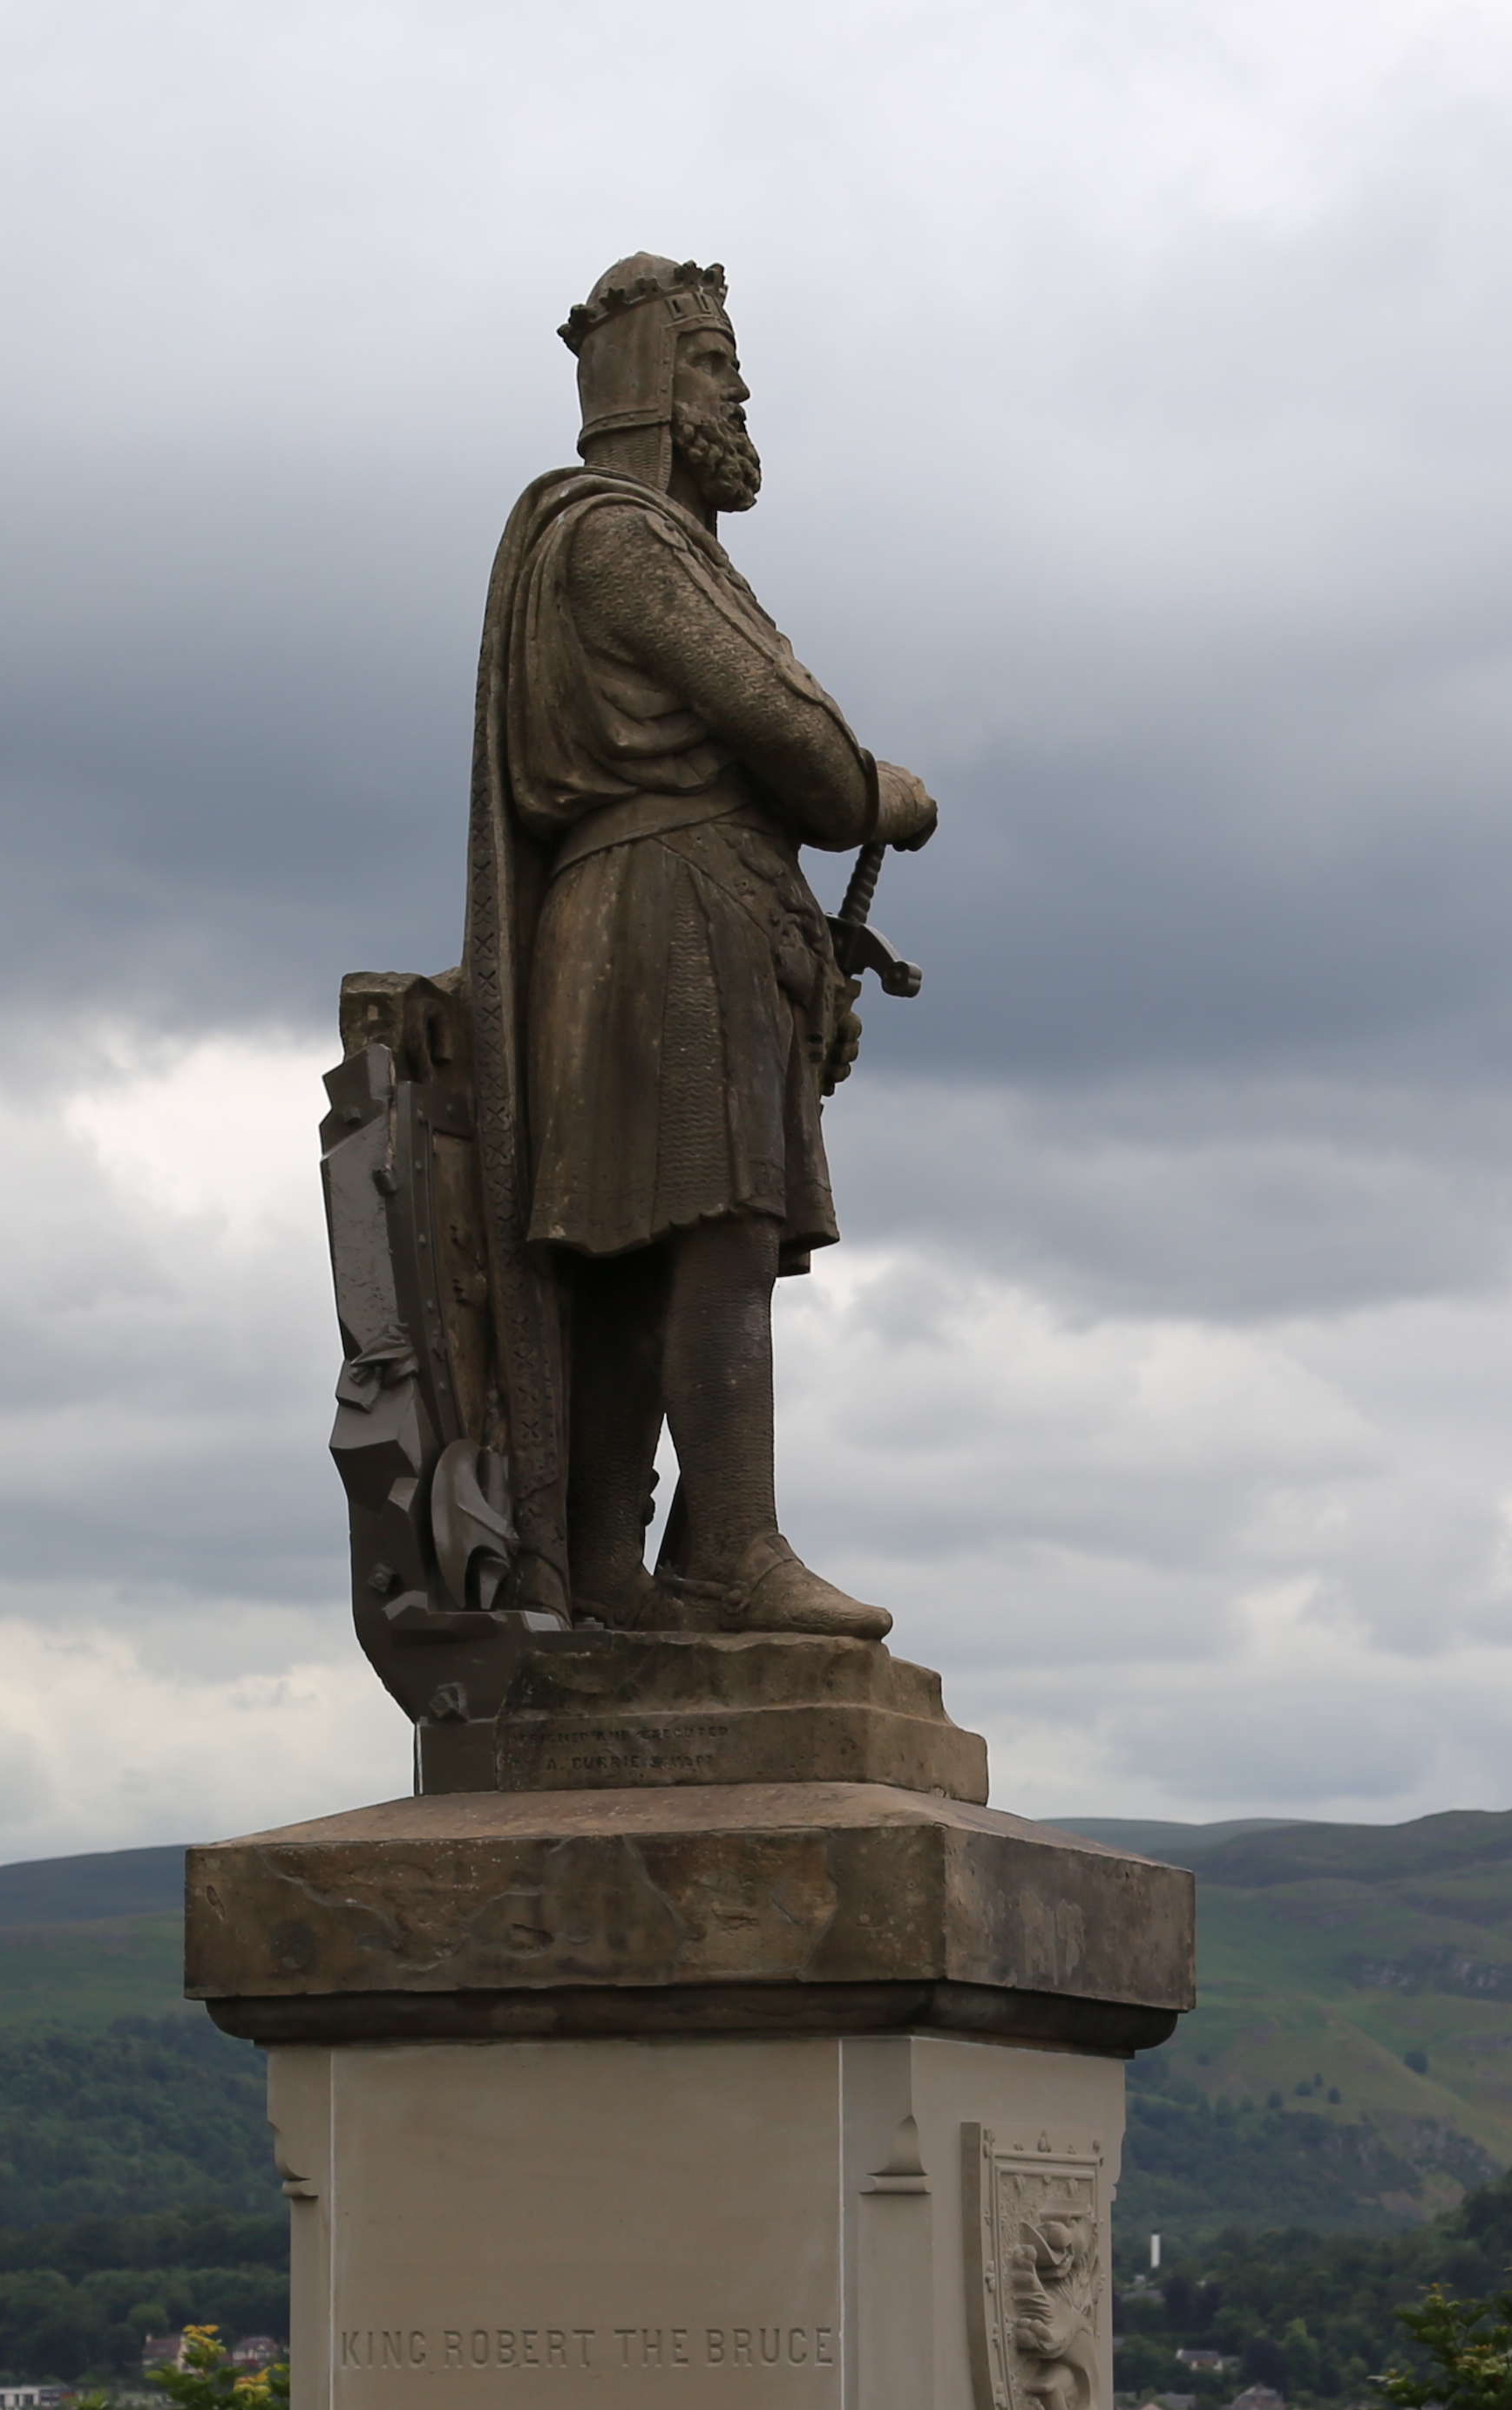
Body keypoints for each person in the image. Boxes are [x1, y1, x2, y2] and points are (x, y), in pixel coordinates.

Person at [458, 251, 944, 1638]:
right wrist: (880, 795)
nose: (738, 394)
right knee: (705, 1230)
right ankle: (724, 1549)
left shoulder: (662, 549)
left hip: (681, 910)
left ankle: (626, 1559)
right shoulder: (617, 540)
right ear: (652, 390)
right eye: (716, 365)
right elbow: (789, 740)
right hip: (662, 913)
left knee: (651, 1242)